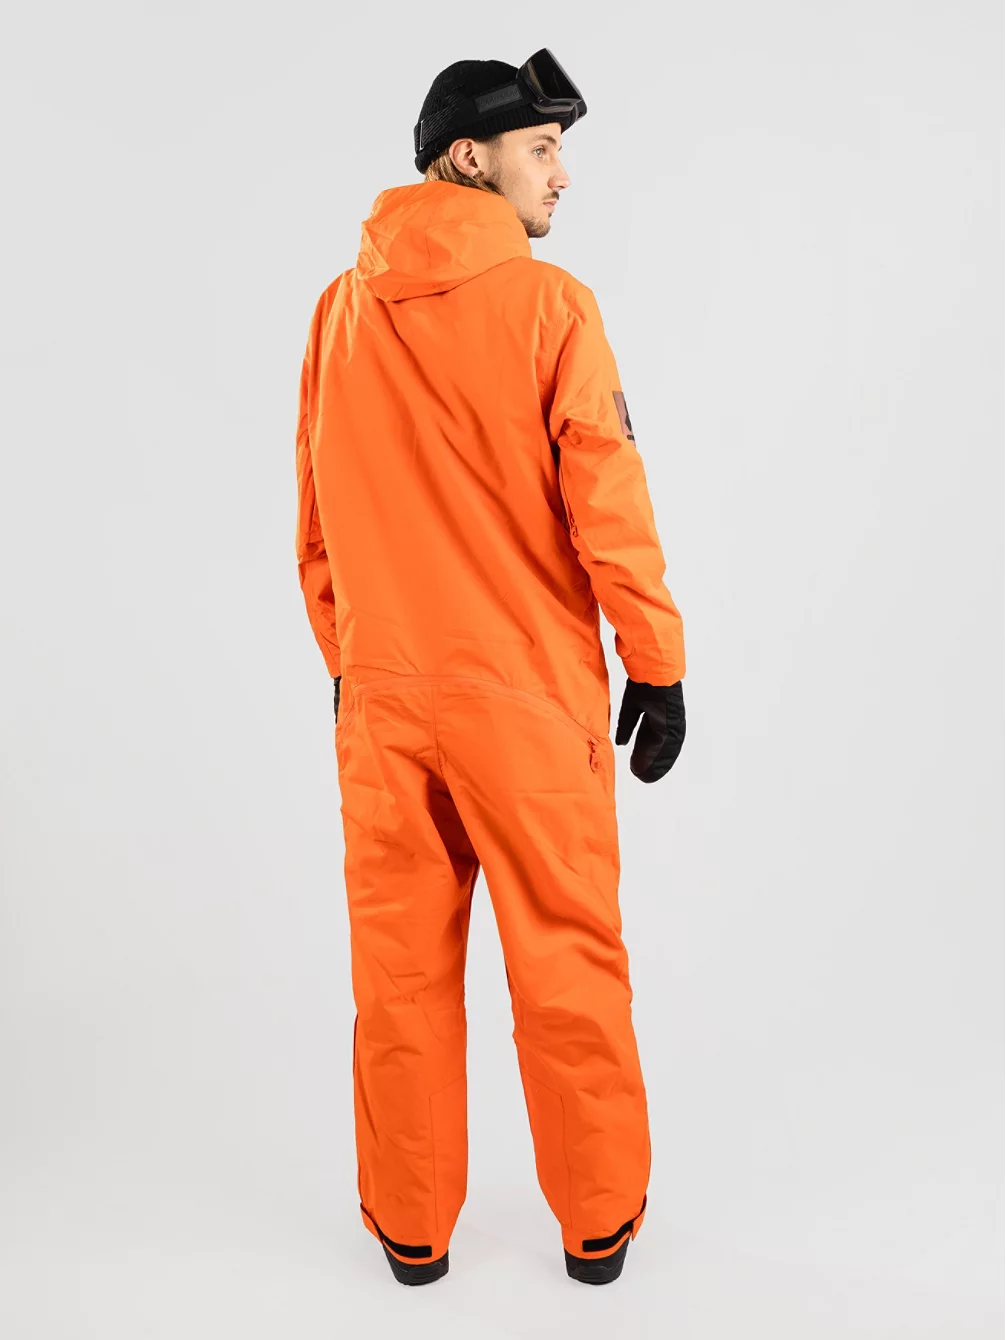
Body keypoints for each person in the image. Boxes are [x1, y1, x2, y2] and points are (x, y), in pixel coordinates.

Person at [294, 50, 686, 1288]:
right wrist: (655, 664)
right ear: (469, 156)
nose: (562, 175)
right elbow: (607, 502)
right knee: (566, 963)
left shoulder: (338, 310)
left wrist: (355, 665)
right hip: (524, 703)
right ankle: (596, 1229)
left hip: (381, 702)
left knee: (398, 974)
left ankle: (410, 1233)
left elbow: (315, 525)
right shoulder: (551, 306)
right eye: (542, 150)